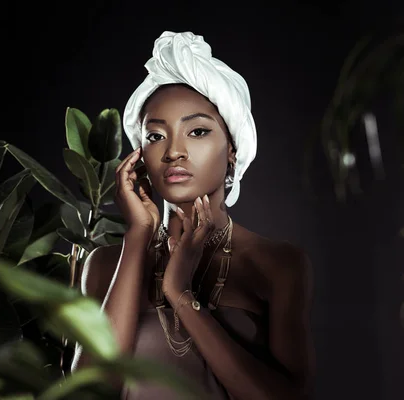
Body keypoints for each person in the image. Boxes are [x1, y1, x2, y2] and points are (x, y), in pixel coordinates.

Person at [72, 31, 315, 399]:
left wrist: (181, 295)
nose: (174, 152)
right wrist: (138, 235)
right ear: (139, 155)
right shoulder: (105, 264)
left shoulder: (276, 265)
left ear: (232, 149)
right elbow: (90, 392)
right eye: (155, 136)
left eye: (197, 131)